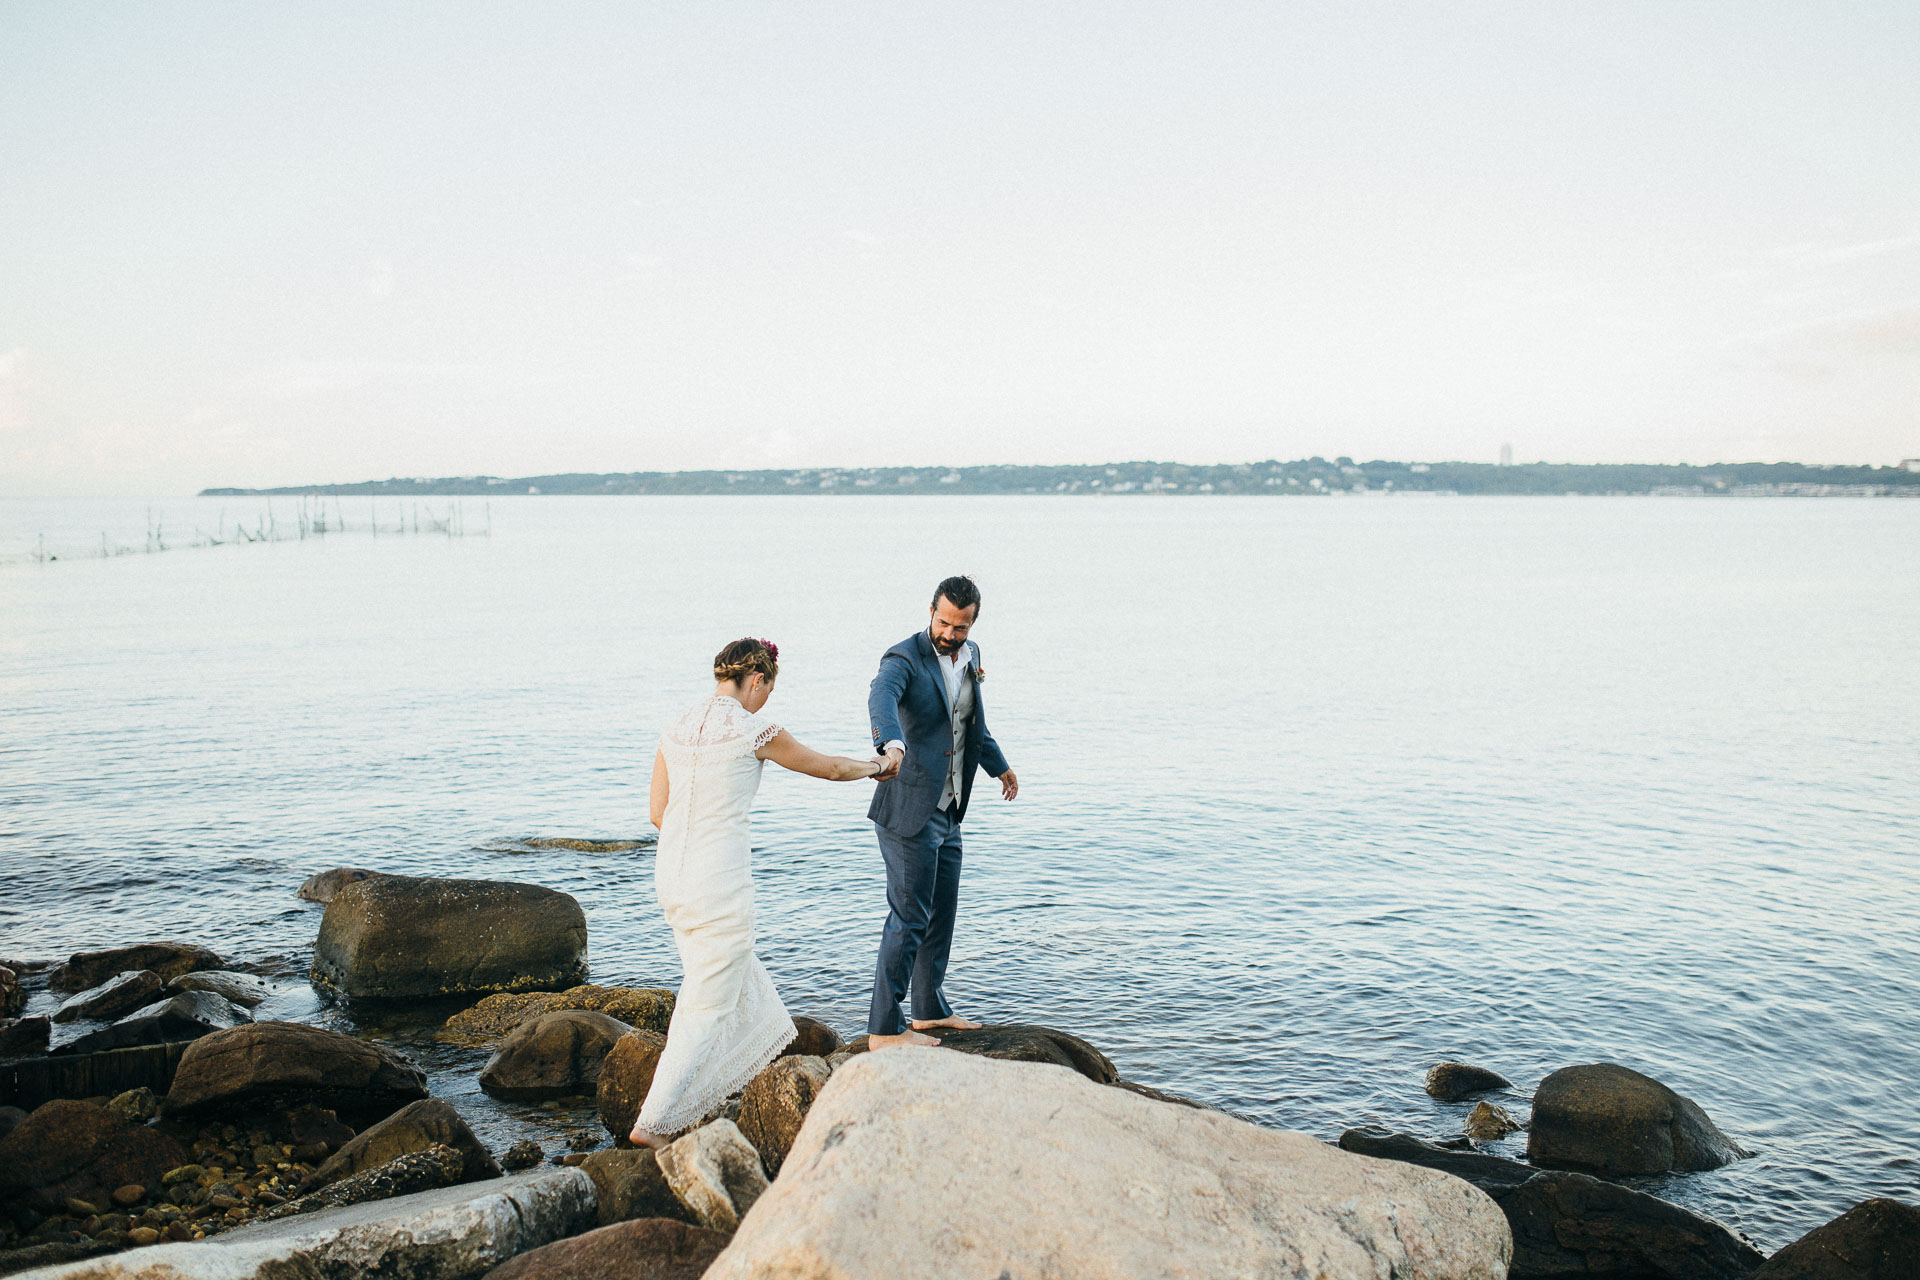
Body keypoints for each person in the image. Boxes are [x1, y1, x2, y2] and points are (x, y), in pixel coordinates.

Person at [630, 637, 883, 1149]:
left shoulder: (675, 728)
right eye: (768, 689)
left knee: (732, 982)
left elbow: (658, 813)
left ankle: (721, 1092)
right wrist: (880, 767)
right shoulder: (752, 729)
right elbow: (830, 768)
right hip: (718, 883)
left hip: (672, 878)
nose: (766, 699)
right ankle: (652, 1123)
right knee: (705, 1006)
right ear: (758, 679)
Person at [864, 575, 1018, 1049]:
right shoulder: (902, 658)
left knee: (941, 914)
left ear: (973, 623)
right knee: (908, 917)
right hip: (909, 807)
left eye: (961, 627)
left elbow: (970, 724)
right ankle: (884, 1029)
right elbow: (882, 698)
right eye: (944, 622)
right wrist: (890, 744)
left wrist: (998, 766)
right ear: (930, 611)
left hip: (950, 808)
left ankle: (928, 1010)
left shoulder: (972, 656)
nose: (950, 634)